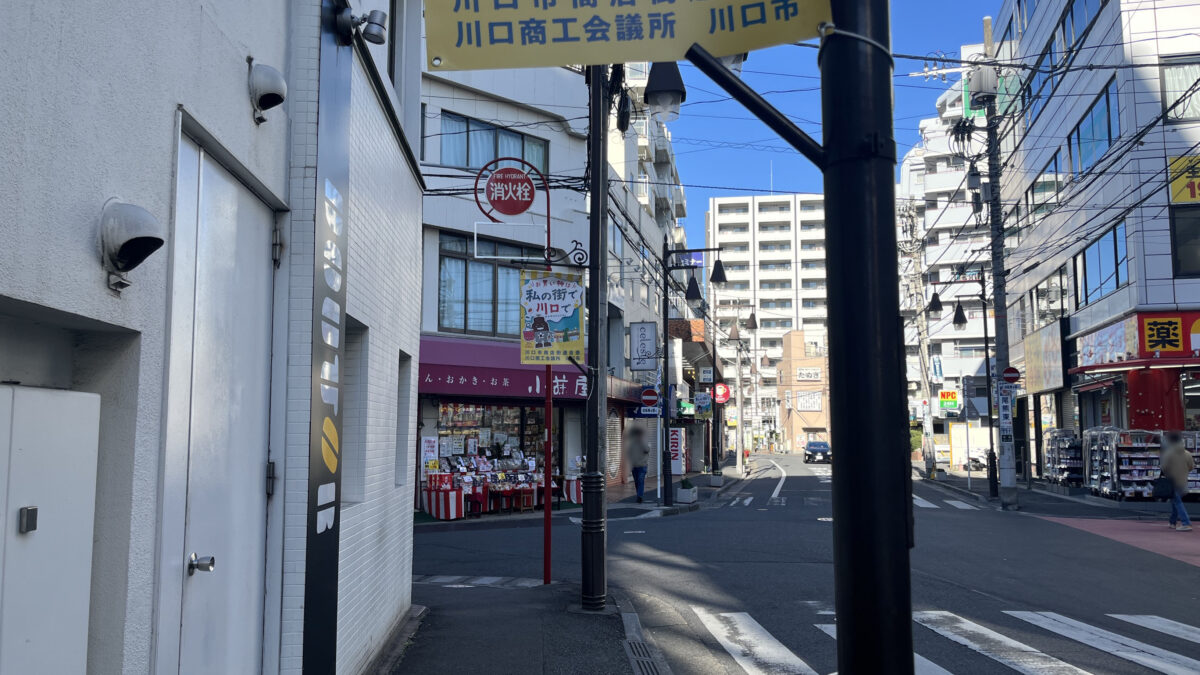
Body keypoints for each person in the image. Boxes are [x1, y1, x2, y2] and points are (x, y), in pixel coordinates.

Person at [1161, 431, 1195, 532]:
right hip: (1183, 480)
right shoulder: (1187, 453)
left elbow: (1164, 467)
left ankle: (1186, 522)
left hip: (1172, 481)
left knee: (1177, 502)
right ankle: (1172, 522)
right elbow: (1191, 467)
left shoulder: (1168, 453)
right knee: (1176, 501)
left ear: (1170, 441)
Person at [626, 427, 650, 503]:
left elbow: (647, 450)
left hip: (642, 466)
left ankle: (640, 496)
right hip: (634, 466)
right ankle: (639, 495)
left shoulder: (645, 442)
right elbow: (628, 453)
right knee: (636, 481)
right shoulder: (632, 443)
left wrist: (642, 442)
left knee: (640, 480)